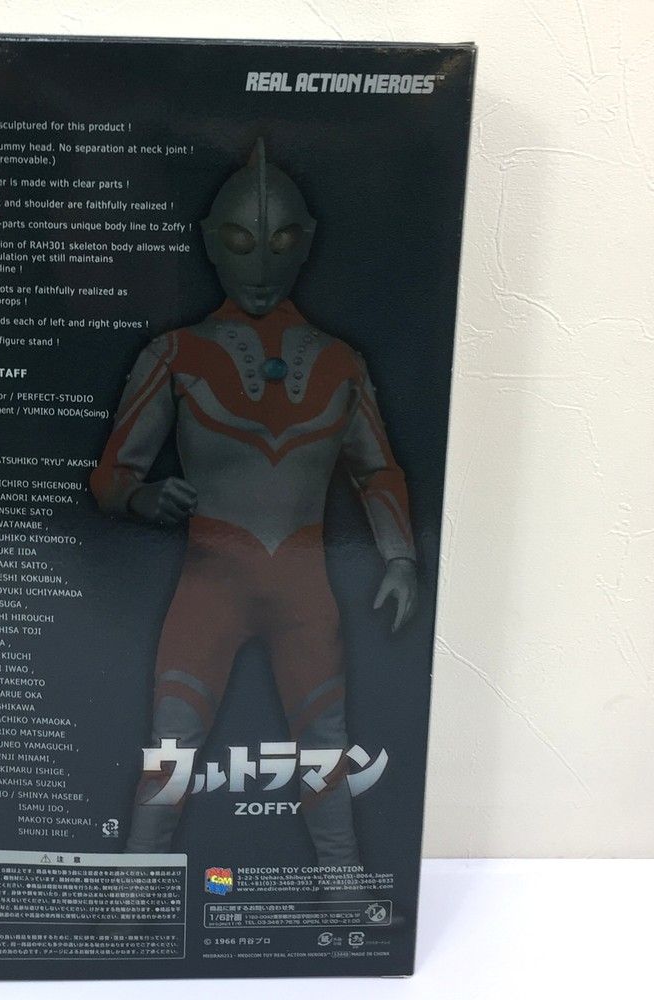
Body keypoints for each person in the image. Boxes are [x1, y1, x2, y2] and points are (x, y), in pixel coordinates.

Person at [90, 139, 417, 867]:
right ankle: (130, 900)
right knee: (172, 754)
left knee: (323, 754)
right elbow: (112, 476)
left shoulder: (338, 363)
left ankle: (341, 895)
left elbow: (377, 471)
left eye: (279, 244)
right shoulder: (176, 355)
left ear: (305, 244)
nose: (262, 265)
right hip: (214, 587)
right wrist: (142, 498)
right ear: (214, 243)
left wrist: (399, 556)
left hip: (296, 588)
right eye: (243, 244)